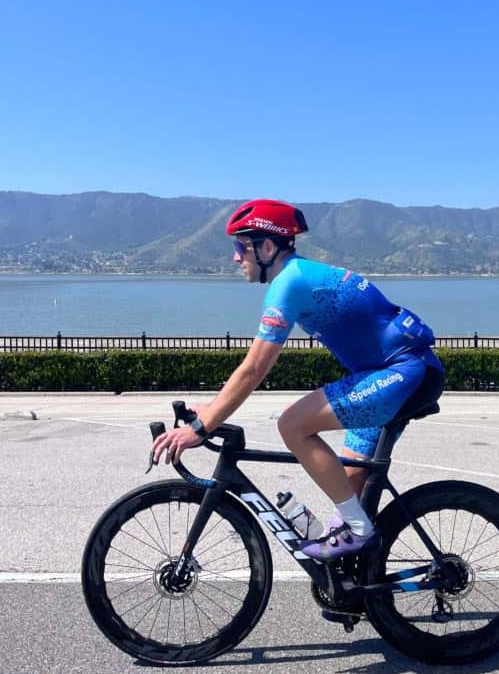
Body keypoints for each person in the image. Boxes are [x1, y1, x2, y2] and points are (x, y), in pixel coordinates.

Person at [151, 198, 445, 561]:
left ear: (267, 247)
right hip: (395, 372)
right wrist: (211, 410)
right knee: (347, 494)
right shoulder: (299, 276)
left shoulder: (289, 283)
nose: (235, 257)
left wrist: (204, 425)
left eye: (241, 247)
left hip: (403, 372)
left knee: (293, 425)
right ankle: (356, 586)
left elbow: (254, 368)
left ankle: (358, 531)